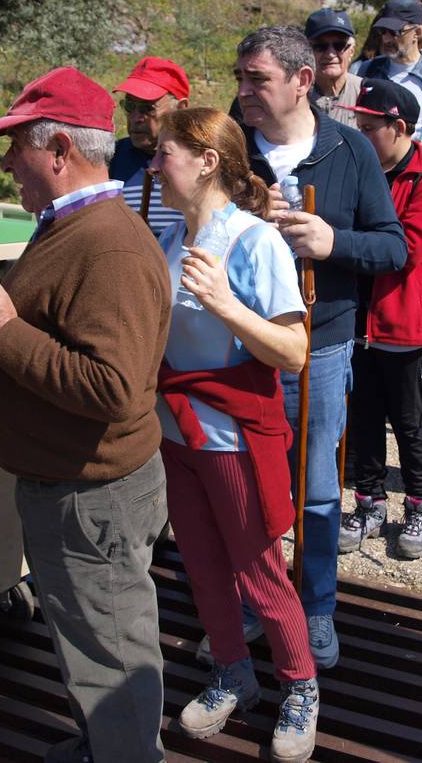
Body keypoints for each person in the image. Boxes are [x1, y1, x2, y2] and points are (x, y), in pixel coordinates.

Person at [0, 67, 171, 763]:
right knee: (93, 644)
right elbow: (52, 319)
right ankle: (108, 745)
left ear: (58, 150)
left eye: (15, 147)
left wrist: (5, 337)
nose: (5, 163)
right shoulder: (73, 227)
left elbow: (113, 387)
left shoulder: (106, 245)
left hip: (91, 497)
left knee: (110, 656)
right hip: (77, 492)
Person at [234, 26, 406, 669]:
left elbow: (394, 247)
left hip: (321, 348)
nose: (245, 91)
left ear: (303, 81)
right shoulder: (228, 150)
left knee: (316, 491)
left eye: (259, 79)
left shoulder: (349, 150)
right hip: (240, 346)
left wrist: (334, 243)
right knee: (248, 485)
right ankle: (257, 602)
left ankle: (317, 609)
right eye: (242, 78)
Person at [150, 107, 318, 762]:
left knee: (259, 573)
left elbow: (294, 351)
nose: (156, 162)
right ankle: (233, 673)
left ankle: (300, 687)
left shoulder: (254, 243)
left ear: (207, 161)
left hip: (233, 440)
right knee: (202, 567)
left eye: (167, 151)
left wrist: (225, 305)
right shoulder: (169, 238)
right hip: (176, 434)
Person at [335, 80, 422, 560]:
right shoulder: (361, 172)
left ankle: (419, 506)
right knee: (361, 422)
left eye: (368, 128)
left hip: (402, 325)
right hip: (356, 322)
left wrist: (345, 242)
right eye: (357, 127)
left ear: (399, 127)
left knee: (408, 422)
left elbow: (407, 250)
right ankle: (369, 502)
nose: (359, 135)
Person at [357, 0, 422, 161]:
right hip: (375, 170)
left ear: (416, 32)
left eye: (395, 32)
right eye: (383, 32)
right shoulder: (368, 70)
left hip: (421, 172)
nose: (387, 39)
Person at [112, 55, 190, 235]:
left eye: (148, 108)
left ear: (181, 108)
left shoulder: (204, 163)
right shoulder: (111, 159)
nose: (136, 118)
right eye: (130, 106)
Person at [305, 8, 361, 129]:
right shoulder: (296, 95)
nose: (330, 54)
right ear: (307, 51)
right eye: (321, 46)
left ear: (351, 51)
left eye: (339, 46)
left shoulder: (366, 94)